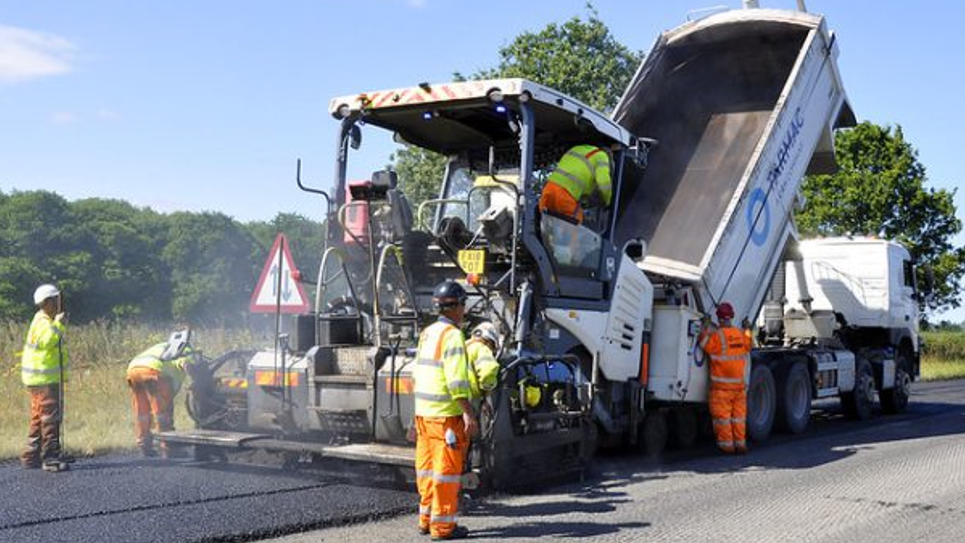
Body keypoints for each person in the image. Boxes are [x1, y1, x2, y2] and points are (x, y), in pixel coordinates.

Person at [413, 280, 477, 540]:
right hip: (445, 418)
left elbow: (419, 373)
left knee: (426, 472)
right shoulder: (452, 336)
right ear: (457, 307)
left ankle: (425, 520)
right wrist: (469, 412)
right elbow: (457, 381)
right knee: (446, 475)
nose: (464, 309)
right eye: (463, 304)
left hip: (424, 415)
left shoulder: (428, 333)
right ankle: (443, 528)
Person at [20, 284, 69, 472]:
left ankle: (30, 456)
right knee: (50, 417)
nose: (59, 304)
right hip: (43, 379)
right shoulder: (44, 322)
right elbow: (49, 342)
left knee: (38, 417)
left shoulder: (41, 320)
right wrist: (59, 324)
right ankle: (50, 458)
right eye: (56, 300)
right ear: (47, 302)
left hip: (38, 379)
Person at [126, 331, 195, 458]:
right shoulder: (186, 349)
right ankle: (168, 447)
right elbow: (185, 364)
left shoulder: (164, 345)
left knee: (142, 412)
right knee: (162, 412)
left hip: (133, 370)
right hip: (152, 372)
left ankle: (144, 444)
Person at [699, 302, 753, 455]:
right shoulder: (740, 334)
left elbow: (704, 343)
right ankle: (741, 445)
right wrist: (748, 328)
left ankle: (727, 446)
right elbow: (749, 344)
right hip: (739, 388)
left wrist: (704, 327)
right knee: (739, 418)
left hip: (722, 388)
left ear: (719, 318)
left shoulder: (717, 337)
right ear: (732, 317)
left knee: (723, 419)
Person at [539, 144, 612, 224]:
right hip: (565, 194)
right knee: (575, 224)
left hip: (548, 190)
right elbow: (604, 182)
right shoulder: (602, 155)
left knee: (548, 225)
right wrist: (607, 202)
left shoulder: (576, 149)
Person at [466, 322, 501, 404]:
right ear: (489, 341)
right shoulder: (482, 348)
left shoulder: (464, 345)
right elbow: (488, 372)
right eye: (492, 347)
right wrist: (488, 389)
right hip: (470, 397)